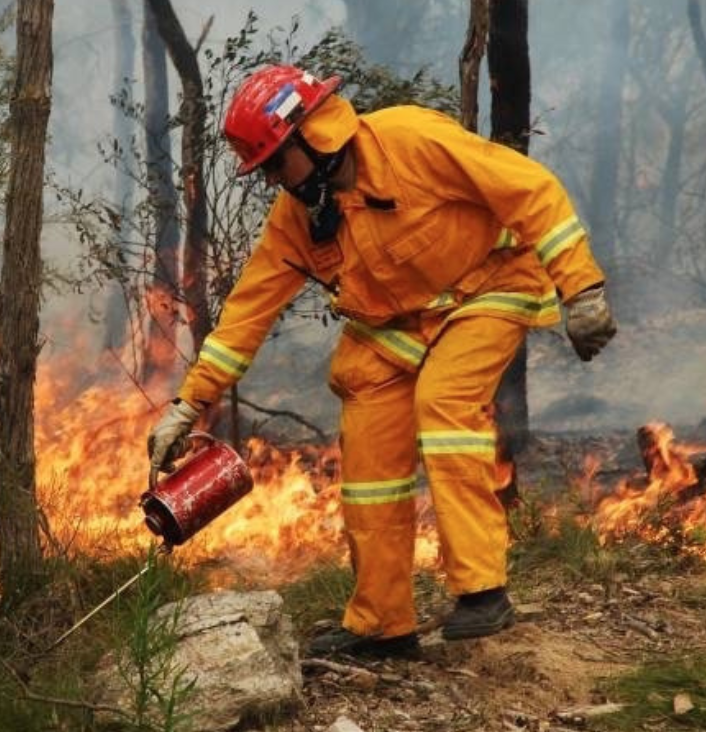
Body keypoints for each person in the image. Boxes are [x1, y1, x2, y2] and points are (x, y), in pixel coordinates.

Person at [145, 65, 616, 659]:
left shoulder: (411, 141)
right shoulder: (298, 220)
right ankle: (382, 623)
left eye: (271, 163)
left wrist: (583, 290)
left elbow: (532, 190)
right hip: (397, 327)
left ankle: (482, 590)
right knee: (367, 455)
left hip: (489, 287)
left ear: (310, 137)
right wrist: (187, 406)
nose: (268, 180)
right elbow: (245, 315)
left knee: (443, 403)